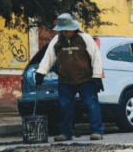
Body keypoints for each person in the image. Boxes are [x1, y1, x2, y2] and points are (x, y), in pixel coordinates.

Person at [35, 13, 105, 141]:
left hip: (86, 79)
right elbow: (48, 57)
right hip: (65, 80)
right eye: (63, 31)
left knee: (91, 105)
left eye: (67, 31)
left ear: (73, 28)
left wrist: (97, 77)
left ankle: (97, 131)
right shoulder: (57, 40)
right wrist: (41, 72)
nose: (65, 33)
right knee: (65, 107)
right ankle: (66, 133)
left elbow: (96, 58)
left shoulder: (85, 38)